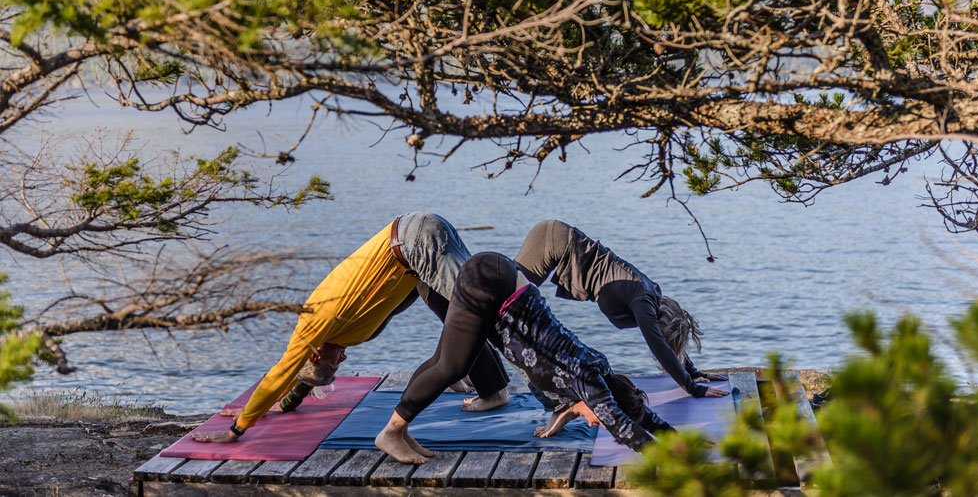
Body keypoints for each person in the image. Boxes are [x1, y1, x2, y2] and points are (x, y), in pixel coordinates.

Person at [192, 212, 510, 444]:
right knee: (464, 315)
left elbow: (281, 374)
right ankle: (492, 389)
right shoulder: (325, 342)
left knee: (490, 312)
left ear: (315, 354)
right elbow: (301, 376)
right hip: (415, 254)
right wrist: (283, 404)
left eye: (333, 367)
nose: (342, 362)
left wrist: (240, 427)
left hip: (415, 243)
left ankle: (556, 391)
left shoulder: (315, 325)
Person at [375, 252, 698, 465]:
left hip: (500, 280)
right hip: (491, 285)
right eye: (597, 417)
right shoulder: (592, 384)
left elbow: (640, 415)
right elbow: (624, 428)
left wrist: (680, 438)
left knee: (445, 360)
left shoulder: (597, 370)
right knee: (453, 366)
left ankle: (400, 431)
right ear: (605, 402)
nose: (593, 420)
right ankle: (390, 431)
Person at [515, 220, 728, 401]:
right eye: (664, 333)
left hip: (557, 241)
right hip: (552, 241)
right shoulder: (644, 301)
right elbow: (659, 345)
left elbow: (666, 344)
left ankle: (495, 390)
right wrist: (692, 388)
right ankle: (518, 394)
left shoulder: (651, 297)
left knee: (505, 309)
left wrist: (694, 372)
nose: (659, 335)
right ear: (662, 322)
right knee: (506, 306)